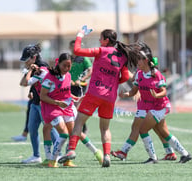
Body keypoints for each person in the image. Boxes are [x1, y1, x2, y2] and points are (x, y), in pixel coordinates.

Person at [58, 25, 138, 167]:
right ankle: (106, 155)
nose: (99, 40)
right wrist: (113, 82)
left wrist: (80, 34)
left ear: (107, 40)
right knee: (105, 128)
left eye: (101, 38)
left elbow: (77, 50)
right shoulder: (122, 56)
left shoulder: (101, 51)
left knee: (79, 122)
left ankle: (71, 150)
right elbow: (125, 76)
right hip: (110, 96)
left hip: (95, 93)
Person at [112, 42, 191, 163]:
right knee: (163, 133)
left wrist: (157, 94)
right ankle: (184, 154)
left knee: (143, 130)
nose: (137, 63)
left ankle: (153, 158)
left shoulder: (157, 75)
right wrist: (126, 94)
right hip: (149, 106)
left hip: (160, 107)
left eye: (138, 60)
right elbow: (134, 91)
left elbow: (164, 92)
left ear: (145, 60)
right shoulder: (139, 74)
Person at [111, 61, 177, 161]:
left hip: (152, 105)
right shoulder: (141, 67)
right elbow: (134, 81)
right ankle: (170, 152)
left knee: (142, 128)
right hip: (145, 103)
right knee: (159, 130)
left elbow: (136, 78)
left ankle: (125, 152)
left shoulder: (146, 64)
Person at [19, 44, 58, 164]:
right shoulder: (34, 67)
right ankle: (36, 155)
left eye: (27, 59)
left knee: (50, 129)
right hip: (35, 102)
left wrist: (30, 71)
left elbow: (30, 82)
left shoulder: (43, 67)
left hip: (44, 103)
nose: (25, 62)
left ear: (34, 57)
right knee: (32, 128)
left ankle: (59, 154)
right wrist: (31, 91)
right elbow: (28, 82)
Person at [40, 53, 78, 168]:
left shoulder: (68, 75)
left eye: (69, 66)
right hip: (52, 107)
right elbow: (43, 96)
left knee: (73, 133)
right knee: (64, 133)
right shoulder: (49, 78)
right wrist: (57, 103)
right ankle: (52, 160)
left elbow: (65, 92)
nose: (67, 68)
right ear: (58, 64)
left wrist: (73, 97)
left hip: (65, 107)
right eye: (64, 65)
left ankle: (67, 160)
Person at [69, 40, 92, 133]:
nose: (74, 49)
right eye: (72, 47)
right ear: (69, 48)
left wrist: (82, 79)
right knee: (69, 107)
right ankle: (80, 126)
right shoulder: (68, 58)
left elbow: (90, 71)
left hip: (80, 87)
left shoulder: (84, 58)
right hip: (69, 86)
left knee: (76, 107)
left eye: (76, 46)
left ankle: (81, 127)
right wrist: (68, 80)